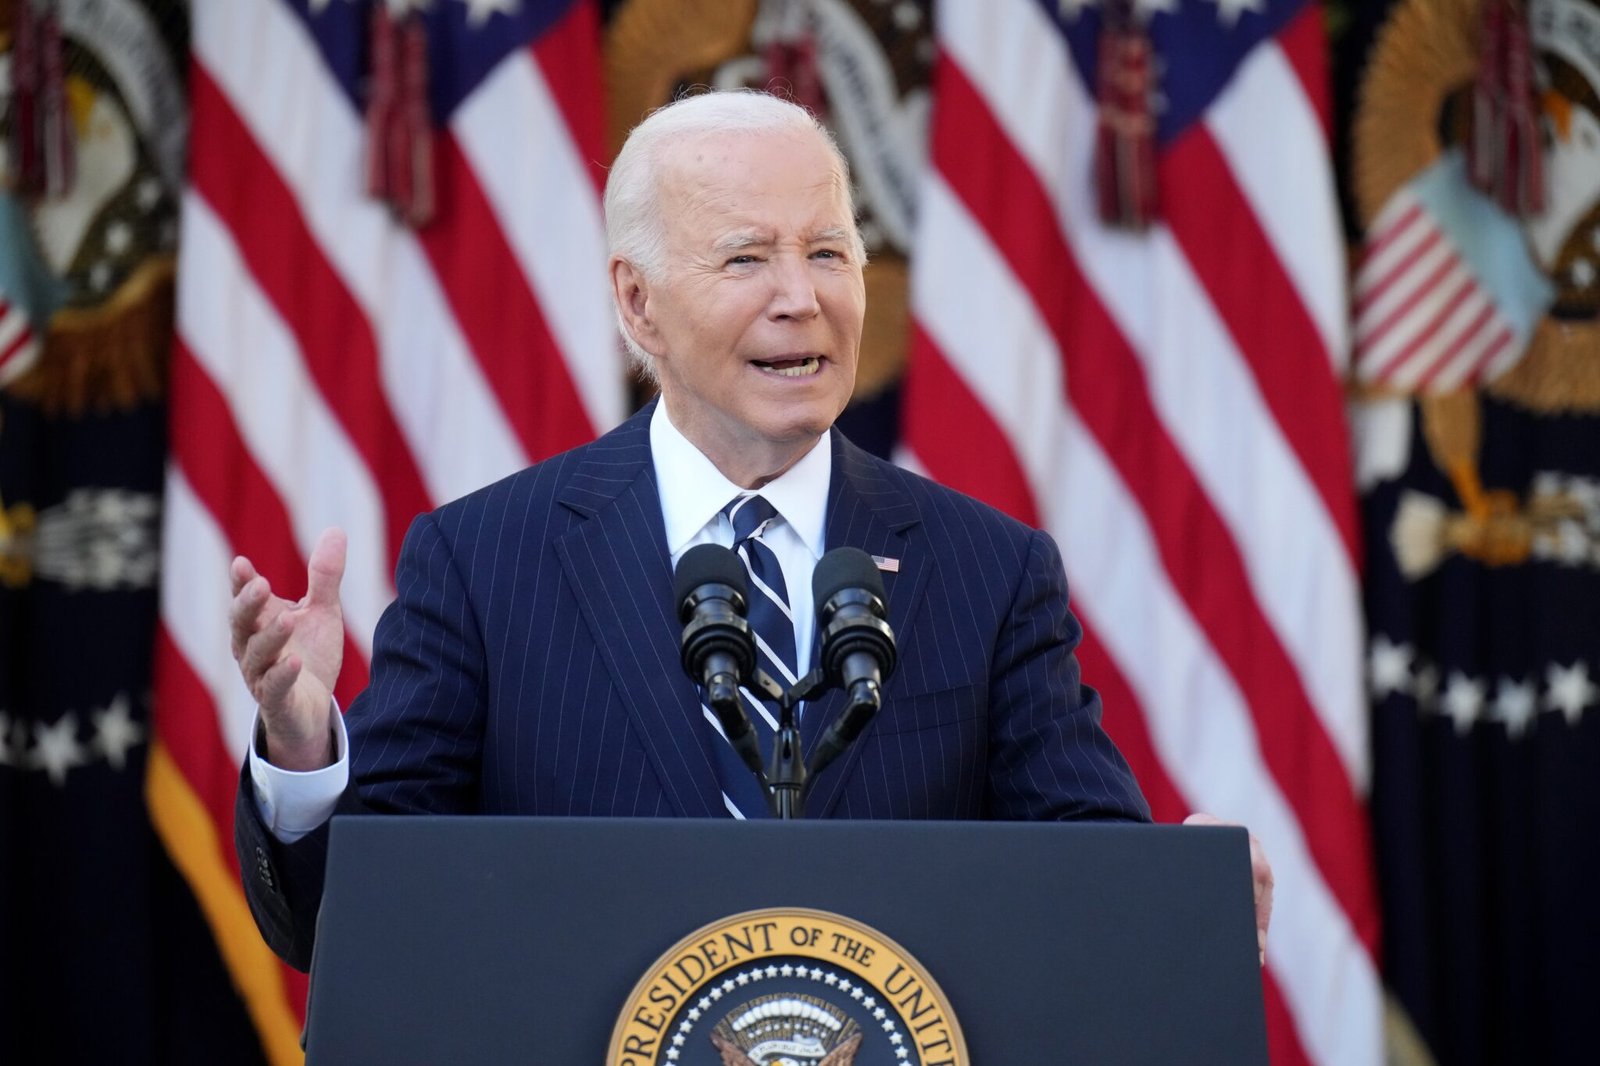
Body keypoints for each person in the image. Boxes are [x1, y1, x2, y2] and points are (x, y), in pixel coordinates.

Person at [229, 90, 1270, 973]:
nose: (801, 298)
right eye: (747, 258)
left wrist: (1180, 898)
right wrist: (302, 745)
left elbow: (1081, 877)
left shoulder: (989, 570)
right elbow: (341, 924)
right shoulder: (485, 560)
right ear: (638, 306)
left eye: (829, 251)